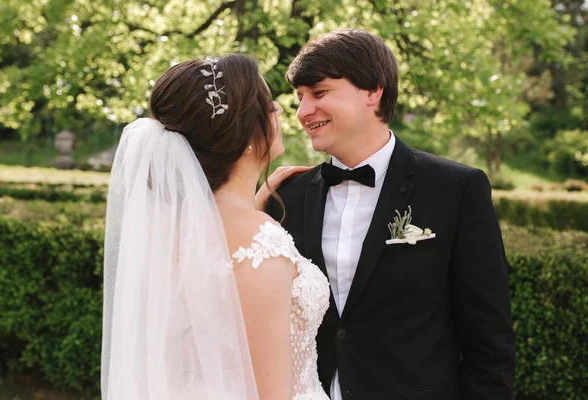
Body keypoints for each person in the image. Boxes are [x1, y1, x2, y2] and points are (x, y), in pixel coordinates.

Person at [267, 29, 516, 400]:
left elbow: (490, 344)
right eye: (300, 98)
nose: (303, 112)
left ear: (373, 91)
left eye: (319, 93)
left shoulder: (455, 189)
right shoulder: (286, 196)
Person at [101, 54, 330, 399]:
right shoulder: (260, 245)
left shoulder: (177, 232)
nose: (280, 111)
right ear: (245, 134)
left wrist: (252, 205)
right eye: (268, 104)